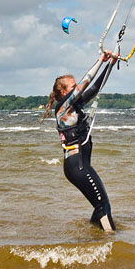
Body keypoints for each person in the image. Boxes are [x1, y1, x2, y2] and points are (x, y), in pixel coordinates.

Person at [42, 50, 118, 232]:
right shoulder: (63, 108)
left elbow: (94, 88)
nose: (78, 89)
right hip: (77, 166)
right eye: (73, 87)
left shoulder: (74, 105)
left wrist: (110, 65)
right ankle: (111, 243)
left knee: (103, 204)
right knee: (103, 208)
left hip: (82, 165)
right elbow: (86, 83)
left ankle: (93, 236)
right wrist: (101, 60)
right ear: (63, 92)